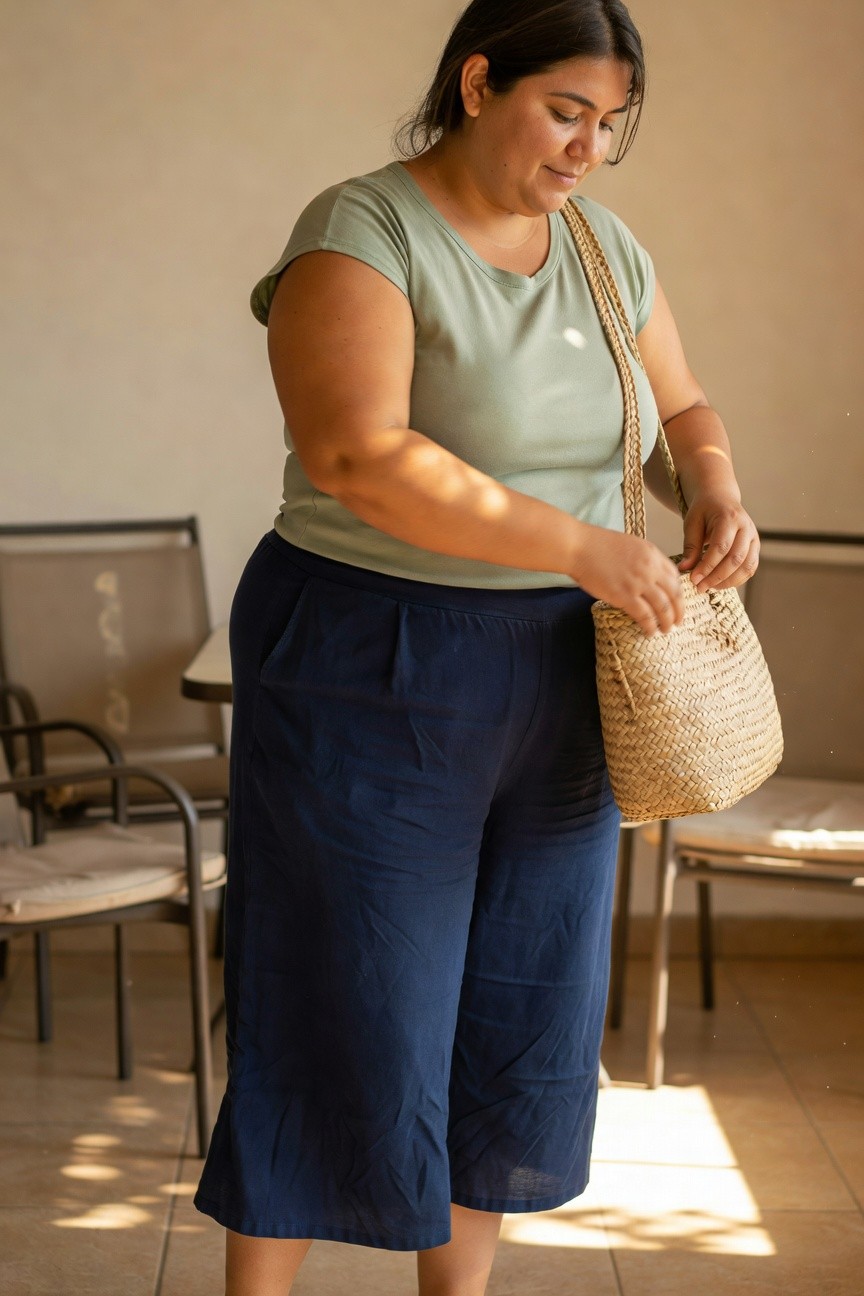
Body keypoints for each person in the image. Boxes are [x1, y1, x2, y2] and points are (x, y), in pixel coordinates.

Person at [195, 1, 759, 1292]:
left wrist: (713, 482)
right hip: (368, 657)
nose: (589, 151)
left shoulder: (606, 249)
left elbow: (678, 404)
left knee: (517, 1005)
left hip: (564, 672)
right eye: (566, 112)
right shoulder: (363, 231)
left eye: (611, 125)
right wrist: (581, 544)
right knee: (345, 998)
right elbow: (356, 455)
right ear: (477, 79)